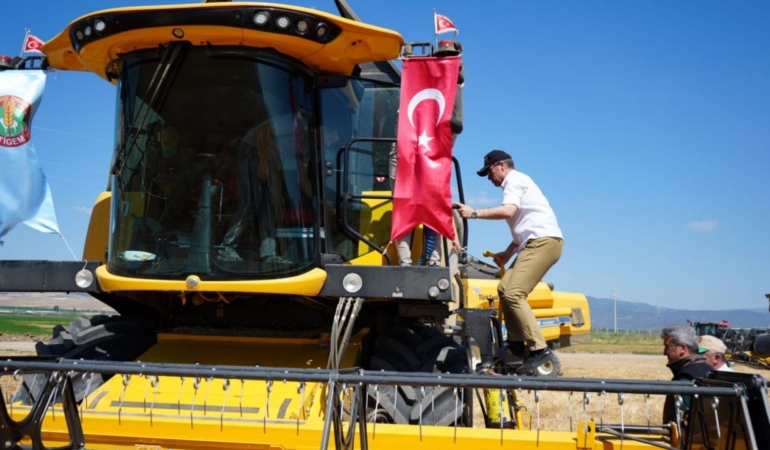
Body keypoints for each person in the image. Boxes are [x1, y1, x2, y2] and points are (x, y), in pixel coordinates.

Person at [454, 149, 563, 374]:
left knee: (513, 292)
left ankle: (539, 351)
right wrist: (508, 252)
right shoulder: (520, 183)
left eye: (489, 172)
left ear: (501, 166)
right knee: (504, 288)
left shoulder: (514, 180)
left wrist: (474, 213)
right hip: (535, 242)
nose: (489, 179)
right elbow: (524, 224)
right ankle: (515, 345)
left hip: (543, 243)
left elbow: (508, 211)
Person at [660, 325, 713, 426]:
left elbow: (683, 425)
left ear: (682, 349)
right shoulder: (709, 370)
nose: (664, 353)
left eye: (667, 347)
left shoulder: (684, 379)